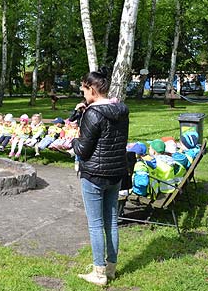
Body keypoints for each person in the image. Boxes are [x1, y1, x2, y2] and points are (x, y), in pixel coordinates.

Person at [72, 68, 129, 286]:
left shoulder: (93, 114)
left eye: (84, 89)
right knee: (111, 222)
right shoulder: (121, 109)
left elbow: (84, 150)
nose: (83, 94)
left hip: (94, 175)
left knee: (95, 224)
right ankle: (111, 268)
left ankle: (99, 273)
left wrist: (73, 140)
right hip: (116, 173)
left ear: (93, 90)